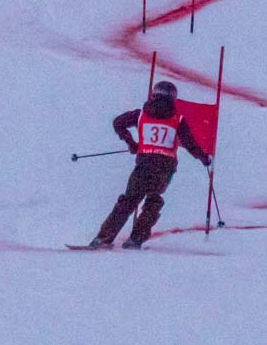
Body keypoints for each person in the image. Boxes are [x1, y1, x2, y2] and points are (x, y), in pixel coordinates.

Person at [86, 80, 211, 250]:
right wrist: (203, 158)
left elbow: (118, 123)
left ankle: (103, 238)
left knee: (128, 201)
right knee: (153, 201)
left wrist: (131, 143)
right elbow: (189, 143)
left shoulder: (140, 114)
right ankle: (135, 239)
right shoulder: (177, 119)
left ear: (154, 94)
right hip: (165, 167)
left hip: (143, 164)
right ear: (173, 98)